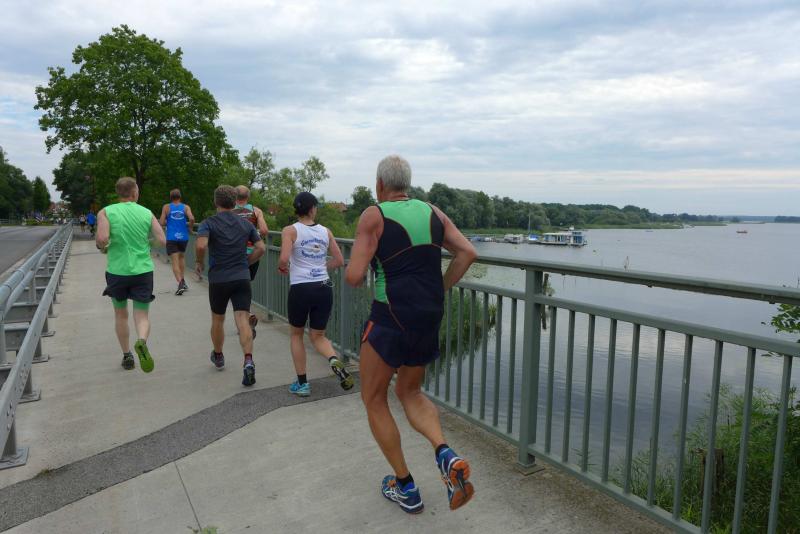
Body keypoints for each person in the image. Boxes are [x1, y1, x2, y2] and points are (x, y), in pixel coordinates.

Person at [345, 155, 478, 514]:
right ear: (407, 183)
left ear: (379, 184)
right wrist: (441, 288)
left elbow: (354, 277)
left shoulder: (374, 215)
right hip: (428, 316)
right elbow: (467, 252)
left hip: (390, 317)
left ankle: (405, 487)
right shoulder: (433, 212)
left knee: (374, 398)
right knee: (410, 391)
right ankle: (446, 455)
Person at [278, 192, 353, 396]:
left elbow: (284, 258)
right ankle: (333, 359)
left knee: (296, 334)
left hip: (301, 287)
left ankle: (302, 384)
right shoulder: (325, 231)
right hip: (323, 286)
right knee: (318, 336)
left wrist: (282, 266)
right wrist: (320, 268)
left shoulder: (290, 230)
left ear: (297, 210)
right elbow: (339, 260)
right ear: (312, 209)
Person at [195, 185, 266, 387]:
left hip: (219, 278)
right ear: (235, 202)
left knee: (218, 319)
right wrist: (246, 263)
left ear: (215, 202)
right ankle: (248, 361)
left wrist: (199, 262)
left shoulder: (208, 223)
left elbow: (201, 245)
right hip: (241, 277)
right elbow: (261, 248)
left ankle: (218, 355)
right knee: (242, 319)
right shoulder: (245, 224)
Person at [96, 177, 166, 372]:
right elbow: (162, 240)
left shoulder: (106, 212)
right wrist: (148, 244)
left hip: (117, 271)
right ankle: (141, 341)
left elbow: (102, 239)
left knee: (120, 314)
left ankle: (127, 356)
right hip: (142, 270)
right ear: (135, 192)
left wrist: (104, 247)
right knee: (141, 314)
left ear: (119, 193)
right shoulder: (146, 212)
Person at [232, 185, 269, 338]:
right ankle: (245, 320)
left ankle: (245, 318)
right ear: (248, 196)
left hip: (234, 255)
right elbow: (264, 230)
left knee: (235, 289)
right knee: (245, 285)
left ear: (234, 196)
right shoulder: (256, 211)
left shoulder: (229, 210)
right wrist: (255, 237)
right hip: (253, 254)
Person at [159, 189, 196, 295]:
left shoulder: (166, 207)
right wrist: (190, 228)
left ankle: (180, 283)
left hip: (172, 237)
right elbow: (192, 218)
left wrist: (169, 221)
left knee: (175, 261)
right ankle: (183, 281)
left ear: (170, 197)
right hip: (183, 237)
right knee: (181, 258)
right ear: (180, 197)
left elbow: (161, 222)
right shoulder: (186, 207)